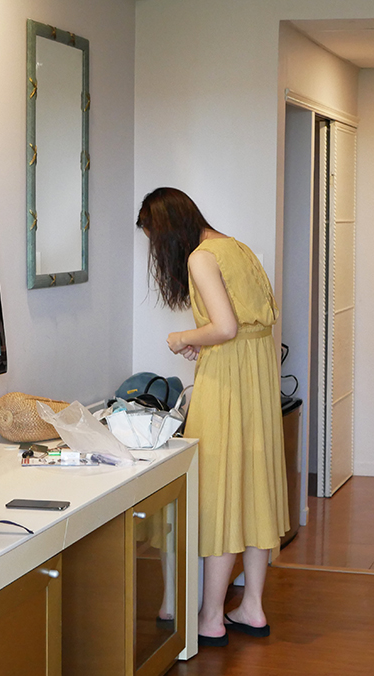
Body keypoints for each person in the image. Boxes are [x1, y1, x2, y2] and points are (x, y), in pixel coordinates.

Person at [137, 187, 289, 646]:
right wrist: (202, 341)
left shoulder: (201, 257)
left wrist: (183, 336)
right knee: (255, 488)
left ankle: (210, 617)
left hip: (226, 387)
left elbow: (224, 326)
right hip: (257, 380)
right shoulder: (238, 248)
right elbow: (242, 327)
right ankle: (252, 607)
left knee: (219, 491)